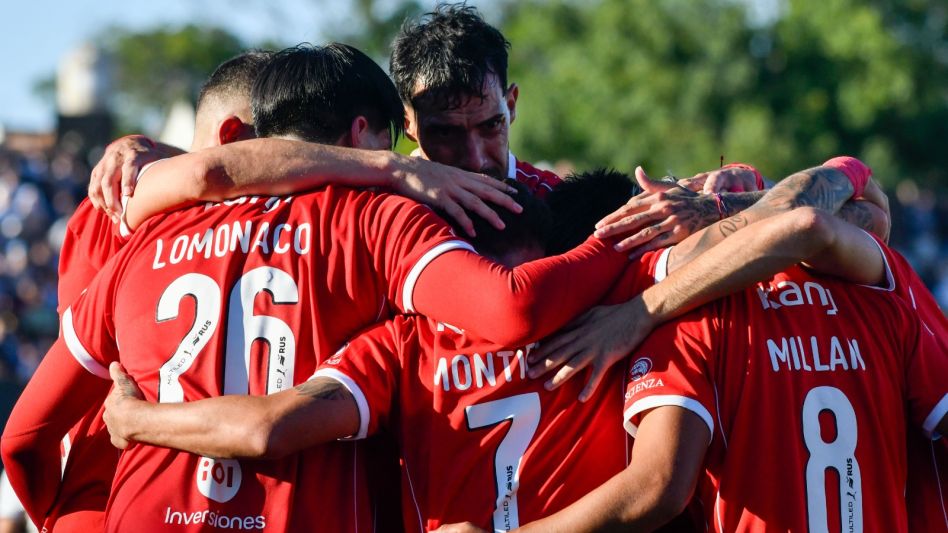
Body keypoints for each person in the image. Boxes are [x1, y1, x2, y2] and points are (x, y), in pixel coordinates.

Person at [1, 43, 633, 533]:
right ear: (362, 135)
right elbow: (508, 305)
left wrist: (81, 514)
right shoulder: (373, 220)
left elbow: (24, 438)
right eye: (393, 146)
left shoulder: (135, 226)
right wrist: (624, 243)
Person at [99, 158, 887, 531]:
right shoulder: (628, 297)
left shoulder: (403, 340)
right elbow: (827, 203)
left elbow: (265, 427)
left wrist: (136, 422)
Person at [446, 167, 948, 532]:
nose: (710, 189)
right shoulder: (880, 284)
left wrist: (640, 310)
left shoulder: (684, 318)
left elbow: (658, 487)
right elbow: (844, 210)